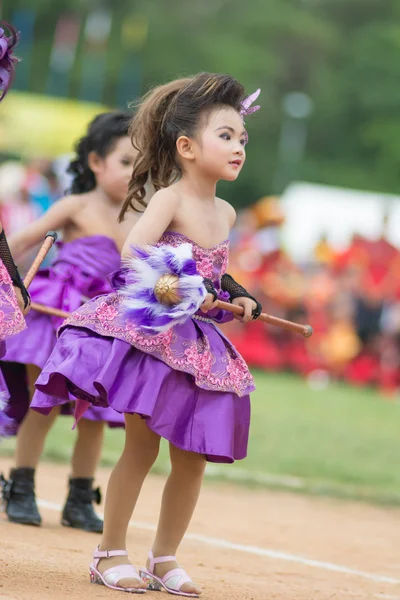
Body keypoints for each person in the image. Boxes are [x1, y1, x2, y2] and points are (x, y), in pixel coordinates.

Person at [32, 72, 262, 596]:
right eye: (225, 136)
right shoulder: (170, 199)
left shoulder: (225, 211)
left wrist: (239, 294)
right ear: (185, 146)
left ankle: (164, 557)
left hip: (199, 347)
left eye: (242, 138)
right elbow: (134, 251)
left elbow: (216, 271)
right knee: (142, 446)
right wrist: (182, 287)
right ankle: (109, 551)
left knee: (192, 457)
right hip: (156, 339)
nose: (238, 147)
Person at [1, 111, 138, 533]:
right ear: (96, 162)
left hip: (106, 324)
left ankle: (80, 497)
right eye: (125, 162)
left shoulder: (143, 217)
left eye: (143, 164)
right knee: (44, 403)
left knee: (94, 415)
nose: (136, 173)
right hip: (58, 317)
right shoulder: (75, 205)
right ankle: (20, 486)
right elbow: (20, 242)